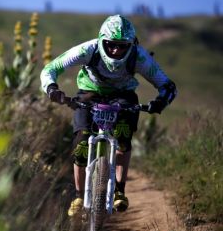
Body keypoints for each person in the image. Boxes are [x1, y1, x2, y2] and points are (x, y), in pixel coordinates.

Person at [40, 14, 177, 216]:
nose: (116, 50)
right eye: (111, 44)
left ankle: (119, 191)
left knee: (123, 136)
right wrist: (52, 89)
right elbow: (51, 68)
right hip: (89, 93)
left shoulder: (138, 56)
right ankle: (78, 196)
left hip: (123, 96)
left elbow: (167, 85)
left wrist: (161, 101)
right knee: (81, 142)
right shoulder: (88, 49)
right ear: (101, 40)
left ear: (131, 44)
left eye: (122, 46)